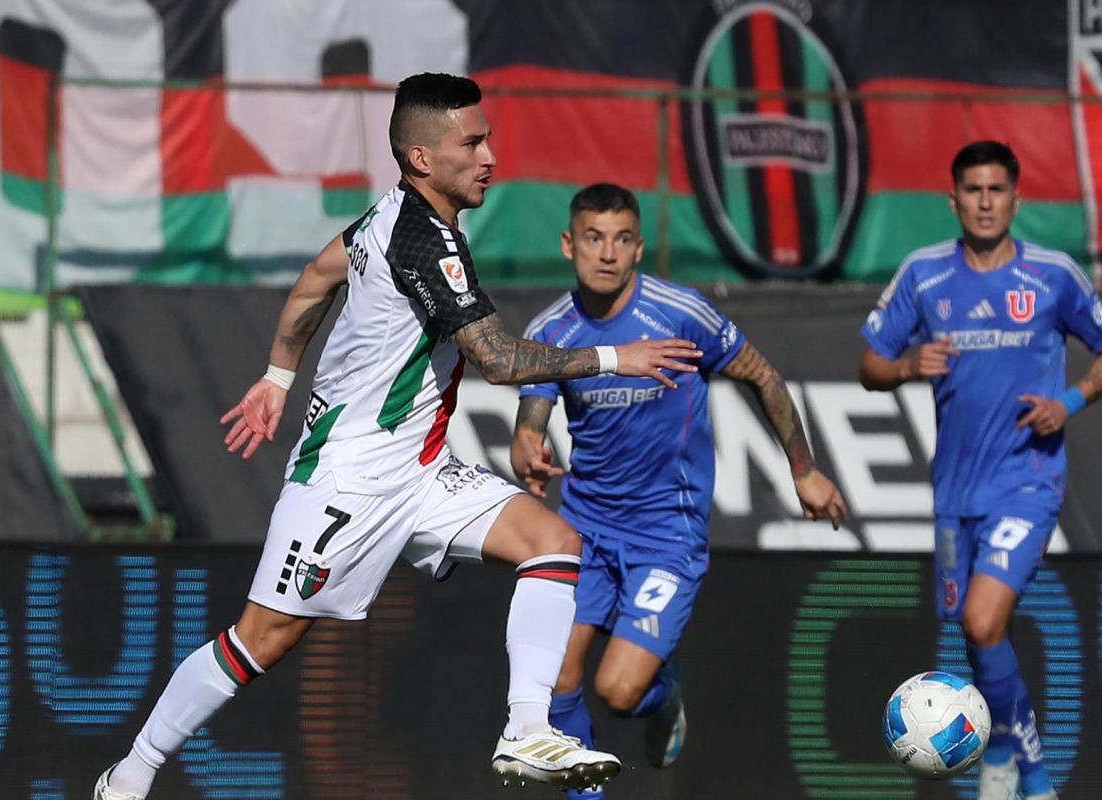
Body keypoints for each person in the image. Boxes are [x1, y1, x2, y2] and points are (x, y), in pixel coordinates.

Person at [93, 73, 705, 800]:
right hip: (347, 479)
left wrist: (278, 377)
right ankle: (130, 775)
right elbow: (499, 360)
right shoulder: (423, 240)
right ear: (422, 158)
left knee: (553, 542)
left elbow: (317, 278)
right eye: (471, 144)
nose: (489, 158)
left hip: (420, 470)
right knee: (262, 640)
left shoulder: (388, 218)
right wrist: (613, 357)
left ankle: (525, 729)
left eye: (487, 140)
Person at [511, 182, 848, 799]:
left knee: (619, 692)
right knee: (558, 678)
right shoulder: (552, 330)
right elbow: (531, 420)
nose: (607, 253)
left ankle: (663, 695)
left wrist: (803, 469)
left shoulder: (680, 313)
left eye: (621, 239)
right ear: (567, 245)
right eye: (593, 238)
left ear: (639, 248)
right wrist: (527, 447)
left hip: (668, 534)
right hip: (585, 531)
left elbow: (762, 376)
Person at [858, 141, 1102, 800]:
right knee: (980, 635)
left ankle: (1029, 777)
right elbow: (870, 364)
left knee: (983, 621)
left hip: (1027, 481)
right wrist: (907, 366)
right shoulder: (924, 274)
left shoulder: (1052, 275)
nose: (985, 202)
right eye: (973, 190)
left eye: (996, 190)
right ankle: (1007, 751)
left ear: (1016, 198)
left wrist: (1068, 403)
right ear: (953, 200)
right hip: (956, 493)